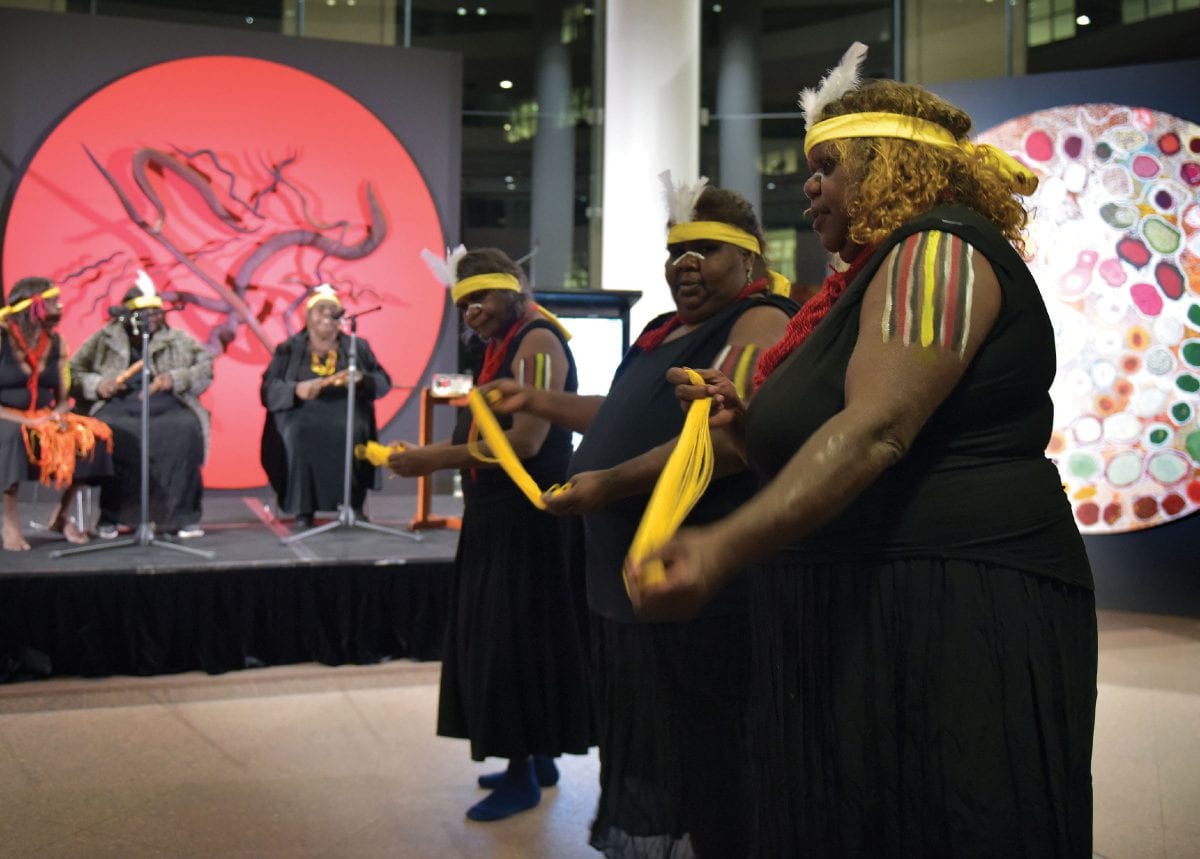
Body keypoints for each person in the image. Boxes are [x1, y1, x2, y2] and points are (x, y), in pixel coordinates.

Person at [629, 45, 1097, 857]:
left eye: (827, 166)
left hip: (950, 607)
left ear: (891, 166)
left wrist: (722, 545)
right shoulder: (864, 279)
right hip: (865, 604)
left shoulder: (941, 246)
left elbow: (879, 426)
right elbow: (836, 428)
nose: (807, 187)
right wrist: (743, 424)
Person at [484, 179, 796, 856]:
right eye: (675, 250)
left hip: (700, 597)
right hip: (632, 594)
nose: (683, 263)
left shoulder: (757, 321)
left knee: (714, 768)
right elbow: (620, 412)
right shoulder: (663, 331)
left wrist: (611, 484)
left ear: (750, 258)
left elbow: (724, 436)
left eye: (704, 249)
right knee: (662, 757)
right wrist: (537, 399)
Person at [386, 247, 593, 823]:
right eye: (463, 303)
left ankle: (524, 772)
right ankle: (537, 756)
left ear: (511, 290)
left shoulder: (537, 341)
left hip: (526, 521)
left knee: (514, 642)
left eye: (480, 297)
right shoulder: (507, 341)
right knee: (518, 638)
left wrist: (434, 460)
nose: (471, 311)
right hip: (501, 516)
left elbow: (525, 442)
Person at [70, 274, 212, 539]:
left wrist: (174, 379)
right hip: (117, 403)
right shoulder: (104, 338)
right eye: (146, 312)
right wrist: (98, 384)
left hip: (167, 402)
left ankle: (181, 517)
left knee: (183, 430)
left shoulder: (177, 339)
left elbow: (205, 368)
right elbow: (72, 372)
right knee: (116, 434)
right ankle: (114, 515)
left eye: (157, 312)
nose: (153, 317)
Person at [260, 285, 391, 528]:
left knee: (353, 431)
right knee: (299, 432)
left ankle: (353, 504)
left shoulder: (357, 348)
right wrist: (295, 390)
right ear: (307, 317)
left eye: (333, 310)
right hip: (301, 411)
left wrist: (363, 379)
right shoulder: (288, 349)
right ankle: (303, 509)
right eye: (320, 310)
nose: (327, 315)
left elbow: (384, 383)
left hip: (347, 411)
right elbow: (268, 390)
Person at [1, 277, 110, 551]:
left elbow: (64, 397)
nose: (58, 306)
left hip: (44, 416)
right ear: (33, 306)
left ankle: (61, 515)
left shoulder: (57, 343)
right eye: (51, 301)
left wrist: (55, 416)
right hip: (8, 417)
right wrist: (28, 420)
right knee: (15, 437)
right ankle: (9, 521)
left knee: (91, 436)